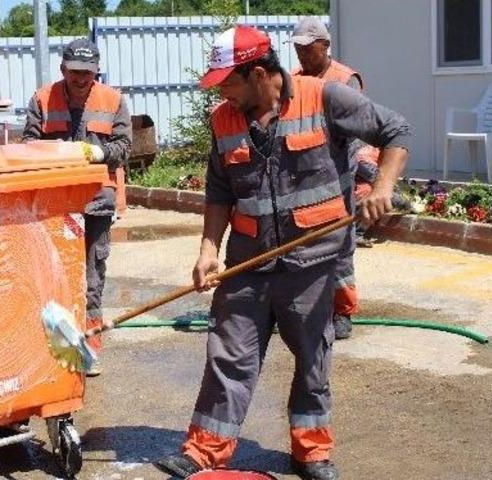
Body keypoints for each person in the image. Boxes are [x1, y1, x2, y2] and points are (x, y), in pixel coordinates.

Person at [155, 26, 411, 480]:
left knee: (313, 356)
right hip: (248, 260)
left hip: (312, 261)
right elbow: (219, 189)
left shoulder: (325, 98)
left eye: (227, 83)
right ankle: (205, 450)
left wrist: (383, 187)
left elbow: (395, 132)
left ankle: (311, 452)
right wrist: (208, 249)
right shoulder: (223, 120)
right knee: (227, 354)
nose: (223, 94)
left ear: (257, 74)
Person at [22, 38, 132, 377]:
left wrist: (100, 154)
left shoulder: (113, 100)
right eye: (74, 72)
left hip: (97, 201)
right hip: (55, 204)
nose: (81, 78)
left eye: (87, 72)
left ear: (96, 71)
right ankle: (55, 342)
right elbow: (27, 143)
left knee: (92, 277)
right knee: (54, 274)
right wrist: (54, 153)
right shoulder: (43, 98)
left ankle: (90, 345)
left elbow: (125, 146)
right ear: (63, 70)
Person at [289, 16, 375, 339]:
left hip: (339, 177)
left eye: (307, 49)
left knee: (340, 248)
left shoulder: (343, 79)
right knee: (303, 247)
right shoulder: (293, 80)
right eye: (297, 49)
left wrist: (365, 176)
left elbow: (359, 133)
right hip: (304, 176)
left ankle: (342, 312)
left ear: (324, 46)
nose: (301, 55)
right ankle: (306, 306)